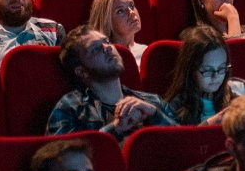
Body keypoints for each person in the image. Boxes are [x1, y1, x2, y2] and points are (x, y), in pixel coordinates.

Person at [46, 25, 175, 138]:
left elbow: (186, 145)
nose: (107, 48)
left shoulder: (152, 102)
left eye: (106, 42)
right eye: (95, 49)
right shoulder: (70, 108)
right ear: (81, 71)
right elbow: (63, 159)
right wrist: (116, 128)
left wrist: (154, 115)